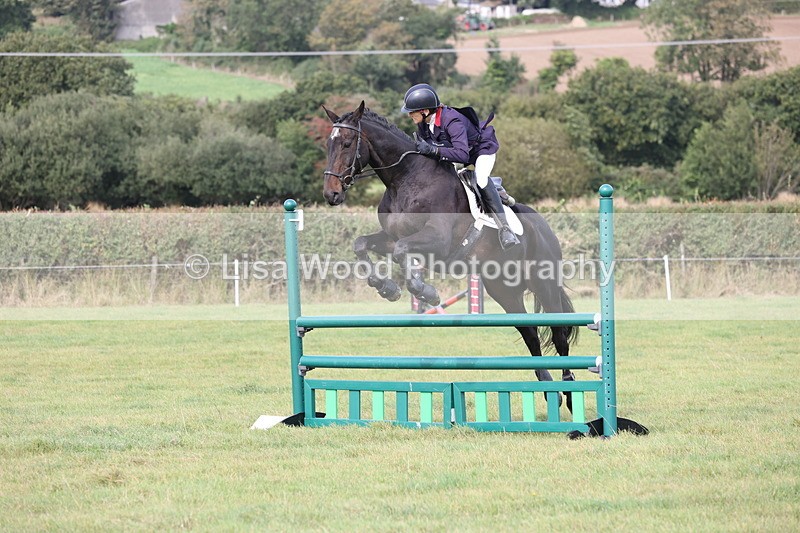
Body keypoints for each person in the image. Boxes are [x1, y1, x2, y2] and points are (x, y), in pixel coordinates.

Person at [401, 83, 519, 250]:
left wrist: (434, 150)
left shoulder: (452, 120)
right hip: (456, 153)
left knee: (481, 180)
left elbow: (462, 154)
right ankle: (496, 188)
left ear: (424, 111)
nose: (409, 115)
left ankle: (505, 228)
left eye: (411, 112)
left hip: (480, 151)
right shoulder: (424, 124)